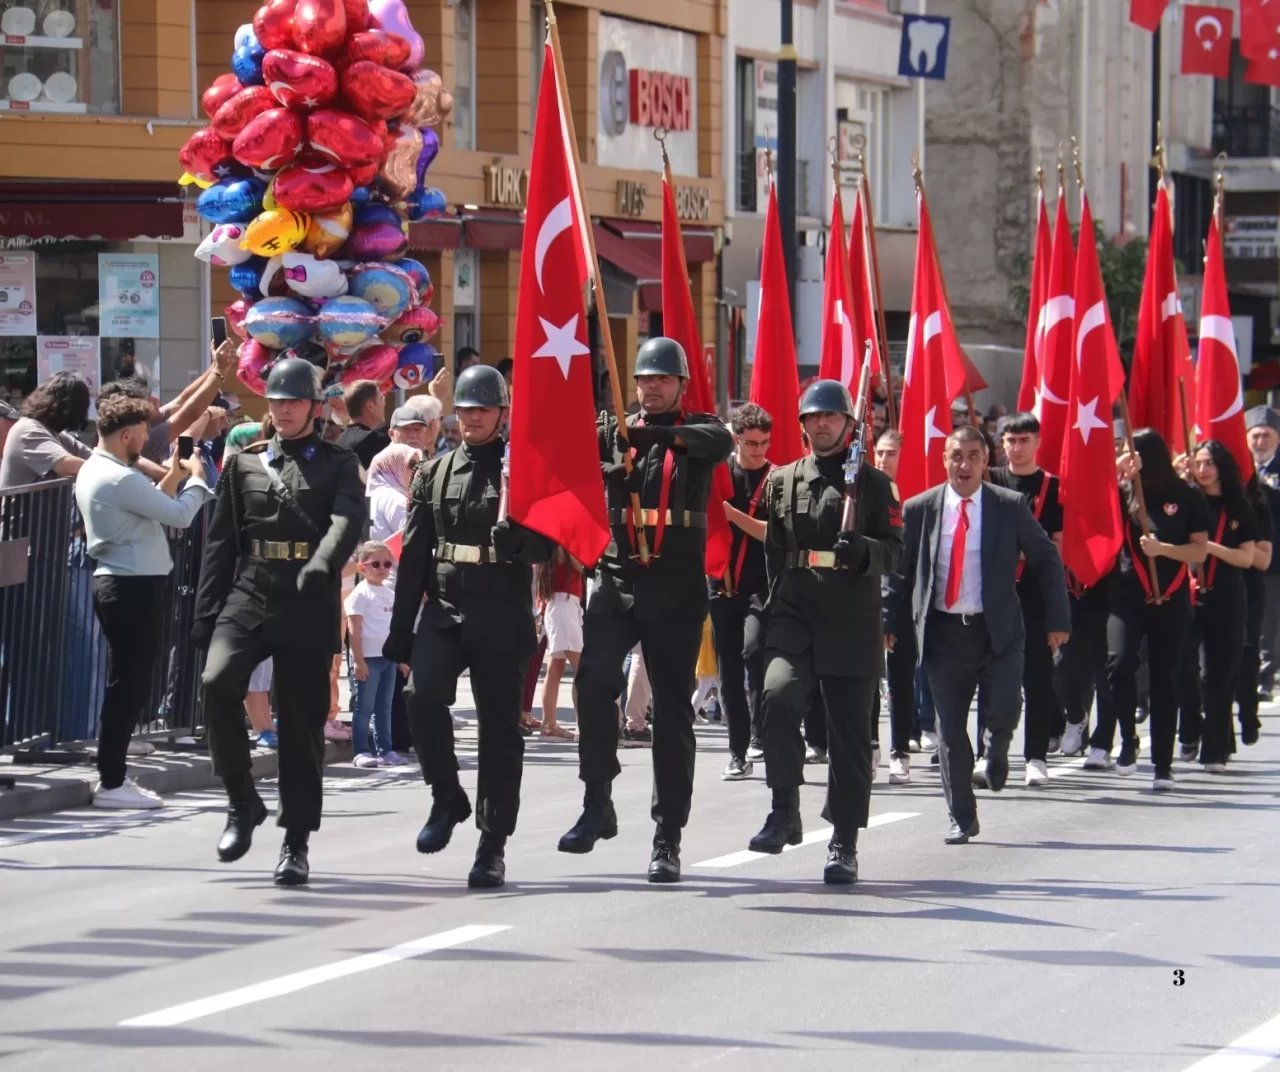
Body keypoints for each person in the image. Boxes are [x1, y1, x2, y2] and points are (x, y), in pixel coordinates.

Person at [558, 337, 733, 883]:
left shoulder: (700, 429)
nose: (651, 386)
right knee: (593, 680)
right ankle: (597, 801)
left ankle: (667, 835)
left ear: (680, 384)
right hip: (618, 576)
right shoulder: (612, 430)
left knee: (673, 715)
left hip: (676, 583)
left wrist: (650, 436)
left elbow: (718, 442)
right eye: (643, 379)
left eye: (662, 378)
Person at [194, 357, 365, 886]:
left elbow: (347, 520)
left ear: (315, 407)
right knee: (217, 681)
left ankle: (296, 841)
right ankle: (242, 802)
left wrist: (323, 563)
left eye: (293, 401)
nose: (283, 409)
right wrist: (205, 616)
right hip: (254, 588)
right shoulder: (244, 464)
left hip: (308, 597)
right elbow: (220, 545)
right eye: (275, 401)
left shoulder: (338, 463)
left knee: (299, 724)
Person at [384, 364, 554, 889]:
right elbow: (413, 556)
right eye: (466, 409)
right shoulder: (433, 473)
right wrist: (400, 630)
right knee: (421, 697)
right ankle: (447, 797)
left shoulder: (520, 471)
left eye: (484, 409)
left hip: (501, 612)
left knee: (499, 734)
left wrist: (517, 542)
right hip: (446, 609)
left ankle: (491, 844)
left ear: (502, 414)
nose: (474, 417)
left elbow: (548, 546)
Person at [743, 380, 901, 883]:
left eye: (832, 417)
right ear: (803, 425)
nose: (822, 424)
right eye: (813, 417)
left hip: (851, 616)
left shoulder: (874, 486)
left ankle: (844, 842)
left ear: (850, 426)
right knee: (778, 694)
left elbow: (897, 550)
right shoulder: (782, 480)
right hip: (795, 606)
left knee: (850, 736)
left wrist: (867, 554)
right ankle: (784, 808)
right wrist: (769, 605)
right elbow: (771, 546)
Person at [896, 425, 1070, 844]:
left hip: (1000, 633)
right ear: (944, 459)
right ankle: (961, 816)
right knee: (950, 730)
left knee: (1007, 707)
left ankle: (997, 749)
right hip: (943, 635)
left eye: (974, 456)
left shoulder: (1009, 506)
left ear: (985, 461)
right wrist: (890, 624)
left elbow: (1047, 558)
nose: (965, 465)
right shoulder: (920, 508)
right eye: (957, 456)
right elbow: (901, 574)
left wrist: (1058, 620)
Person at [73, 389, 212, 809]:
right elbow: (180, 514)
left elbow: (154, 501)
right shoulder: (119, 476)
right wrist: (199, 477)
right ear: (130, 435)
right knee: (128, 686)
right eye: (142, 434)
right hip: (130, 585)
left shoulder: (103, 468)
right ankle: (112, 782)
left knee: (128, 684)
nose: (144, 440)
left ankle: (114, 776)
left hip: (127, 581)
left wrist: (172, 475)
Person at [1088, 429, 1206, 791]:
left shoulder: (1185, 495)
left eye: (1133, 452)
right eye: (1125, 452)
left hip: (1170, 598)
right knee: (1119, 664)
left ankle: (1163, 765)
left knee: (1164, 680)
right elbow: (1088, 502)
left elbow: (1199, 551)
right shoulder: (1123, 492)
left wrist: (1164, 549)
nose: (1130, 457)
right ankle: (1127, 737)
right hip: (1127, 594)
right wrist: (1115, 469)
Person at [986, 412, 1064, 787]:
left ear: (1037, 442)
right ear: (1001, 444)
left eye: (1024, 440)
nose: (1016, 448)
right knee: (991, 676)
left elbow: (1054, 549)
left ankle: (1036, 755)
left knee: (1037, 676)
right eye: (1010, 441)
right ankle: (990, 752)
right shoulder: (991, 481)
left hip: (1034, 595)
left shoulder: (1052, 486)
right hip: (995, 595)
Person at [1180, 441, 1258, 771]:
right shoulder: (1186, 501)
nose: (1203, 470)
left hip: (1227, 595)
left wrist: (1209, 548)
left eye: (1210, 463)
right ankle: (1195, 727)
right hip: (1188, 595)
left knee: (1219, 673)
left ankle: (1214, 749)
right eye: (1198, 463)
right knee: (1184, 671)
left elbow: (1247, 557)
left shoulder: (1239, 506)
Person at [708, 402, 773, 780]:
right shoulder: (720, 475)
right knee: (727, 671)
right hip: (720, 582)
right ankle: (737, 752)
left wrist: (733, 515)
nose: (758, 451)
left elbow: (770, 534)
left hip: (758, 586)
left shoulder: (776, 479)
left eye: (764, 443)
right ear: (736, 440)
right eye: (751, 443)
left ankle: (759, 732)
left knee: (754, 650)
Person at [345, 541, 409, 768]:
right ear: (362, 568)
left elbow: (391, 629)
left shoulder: (389, 594)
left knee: (385, 707)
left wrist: (400, 659)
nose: (382, 568)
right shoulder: (359, 595)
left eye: (387, 563)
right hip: (368, 659)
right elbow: (354, 632)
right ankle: (361, 750)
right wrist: (358, 661)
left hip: (388, 659)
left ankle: (386, 750)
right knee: (364, 707)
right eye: (376, 564)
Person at [0, 371, 91, 487]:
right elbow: (67, 465)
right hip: (24, 505)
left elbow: (90, 456)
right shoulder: (28, 431)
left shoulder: (53, 433)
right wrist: (111, 471)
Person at [1246, 406, 1280, 701]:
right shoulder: (1238, 469)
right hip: (1242, 554)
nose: (1260, 442)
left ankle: (1265, 676)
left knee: (1269, 618)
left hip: (1275, 556)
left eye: (1265, 436)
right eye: (1255, 436)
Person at [537, 547, 584, 739]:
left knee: (555, 668)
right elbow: (581, 566)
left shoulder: (548, 542)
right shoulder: (564, 542)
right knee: (581, 670)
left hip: (557, 604)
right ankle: (583, 725)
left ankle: (549, 724)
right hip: (564, 604)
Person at [366, 443, 423, 545]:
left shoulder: (372, 496)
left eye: (420, 465)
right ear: (392, 467)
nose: (417, 471)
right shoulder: (394, 499)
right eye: (412, 465)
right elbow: (415, 539)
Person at [337, 379, 391, 470]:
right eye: (382, 398)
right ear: (370, 406)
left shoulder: (339, 441)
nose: (384, 403)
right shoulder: (373, 441)